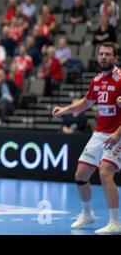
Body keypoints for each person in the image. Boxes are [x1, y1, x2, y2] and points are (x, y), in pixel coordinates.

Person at [52, 42, 121, 234]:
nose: (104, 57)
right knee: (80, 175)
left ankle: (115, 222)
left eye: (108, 54)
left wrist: (116, 135)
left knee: (105, 172)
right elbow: (85, 103)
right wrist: (64, 110)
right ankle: (87, 214)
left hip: (118, 133)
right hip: (100, 134)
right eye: (101, 54)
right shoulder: (96, 81)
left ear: (115, 58)